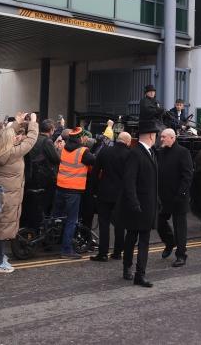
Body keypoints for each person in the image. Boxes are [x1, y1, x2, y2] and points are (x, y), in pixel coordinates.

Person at [0, 113, 38, 273]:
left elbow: (5, 134)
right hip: (8, 194)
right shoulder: (13, 153)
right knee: (4, 226)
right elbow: (31, 140)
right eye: (14, 136)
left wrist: (16, 123)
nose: (17, 137)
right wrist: (33, 122)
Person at [119, 117, 160, 287]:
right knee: (135, 238)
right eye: (156, 135)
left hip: (148, 205)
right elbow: (129, 181)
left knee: (138, 238)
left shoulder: (150, 153)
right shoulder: (135, 153)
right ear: (151, 136)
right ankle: (134, 271)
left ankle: (135, 271)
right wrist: (135, 203)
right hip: (138, 206)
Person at [53, 127, 96, 259]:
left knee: (57, 218)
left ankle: (51, 242)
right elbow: (94, 161)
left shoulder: (65, 148)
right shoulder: (83, 151)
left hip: (60, 187)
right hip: (73, 190)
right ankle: (66, 250)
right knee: (71, 220)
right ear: (81, 138)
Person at [89, 132, 130, 262]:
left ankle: (103, 253)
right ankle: (118, 252)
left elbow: (95, 173)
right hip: (121, 194)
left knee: (104, 224)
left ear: (117, 140)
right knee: (120, 224)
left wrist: (94, 190)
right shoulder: (129, 154)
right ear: (127, 142)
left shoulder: (105, 151)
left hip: (104, 192)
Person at [156, 128, 193, 267]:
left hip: (178, 197)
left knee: (180, 228)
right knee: (158, 222)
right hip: (163, 197)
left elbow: (188, 176)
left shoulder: (183, 152)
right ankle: (170, 242)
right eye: (161, 137)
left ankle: (181, 255)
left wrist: (181, 194)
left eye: (164, 137)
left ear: (172, 138)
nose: (161, 139)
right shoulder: (160, 152)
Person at [22, 119, 62, 231]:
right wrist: (58, 150)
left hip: (30, 176)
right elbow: (56, 159)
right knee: (45, 206)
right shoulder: (47, 142)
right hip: (44, 179)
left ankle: (29, 229)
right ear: (51, 130)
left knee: (31, 205)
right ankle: (42, 230)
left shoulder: (33, 139)